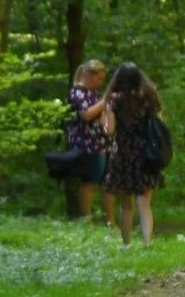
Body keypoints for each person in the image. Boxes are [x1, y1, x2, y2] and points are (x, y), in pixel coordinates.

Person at [102, 61, 165, 246]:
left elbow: (110, 131)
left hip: (123, 153)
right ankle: (147, 242)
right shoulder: (148, 97)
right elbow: (160, 123)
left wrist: (104, 124)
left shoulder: (114, 101)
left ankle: (126, 244)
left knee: (125, 204)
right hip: (145, 154)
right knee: (144, 205)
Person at [66, 59, 116, 225]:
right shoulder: (77, 92)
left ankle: (110, 221)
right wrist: (104, 100)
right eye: (98, 78)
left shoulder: (94, 93)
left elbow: (101, 114)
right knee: (90, 182)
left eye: (102, 79)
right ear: (88, 74)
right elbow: (86, 115)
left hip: (103, 141)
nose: (100, 82)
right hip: (87, 143)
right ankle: (88, 221)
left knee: (108, 182)